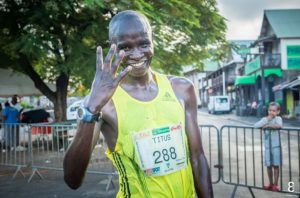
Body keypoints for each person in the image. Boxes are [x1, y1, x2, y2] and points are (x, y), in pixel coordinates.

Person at [63, 10, 213, 197]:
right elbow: (72, 179)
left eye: (144, 44)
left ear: (152, 41)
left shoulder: (182, 89)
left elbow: (197, 158)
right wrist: (91, 108)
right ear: (113, 48)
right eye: (126, 47)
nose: (136, 54)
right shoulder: (103, 104)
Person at [254, 102, 282, 192]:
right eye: (270, 110)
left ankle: (276, 184)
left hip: (276, 146)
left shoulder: (278, 118)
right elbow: (255, 126)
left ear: (278, 112)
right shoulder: (265, 119)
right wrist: (266, 120)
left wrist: (269, 125)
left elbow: (279, 126)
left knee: (276, 165)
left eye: (274, 111)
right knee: (268, 165)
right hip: (267, 147)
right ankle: (270, 183)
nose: (271, 112)